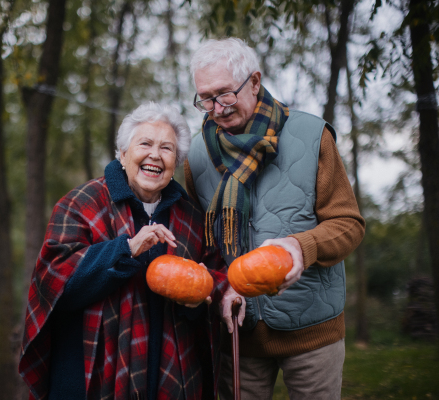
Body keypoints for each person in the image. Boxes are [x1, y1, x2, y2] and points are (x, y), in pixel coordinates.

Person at [184, 38, 366, 400]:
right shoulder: (196, 155)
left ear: (254, 82)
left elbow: (349, 225)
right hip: (238, 333)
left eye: (224, 94)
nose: (216, 108)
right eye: (205, 97)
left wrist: (301, 246)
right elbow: (202, 243)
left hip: (312, 330)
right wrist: (222, 285)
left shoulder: (312, 135)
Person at [19, 102, 229, 400]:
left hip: (170, 374)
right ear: (123, 154)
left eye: (167, 148)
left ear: (175, 162)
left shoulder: (192, 218)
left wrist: (196, 303)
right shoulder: (81, 203)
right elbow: (54, 285)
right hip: (89, 373)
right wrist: (126, 249)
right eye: (145, 143)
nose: (155, 155)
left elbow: (210, 284)